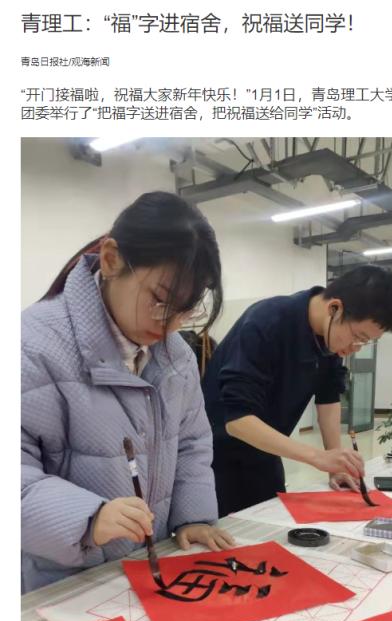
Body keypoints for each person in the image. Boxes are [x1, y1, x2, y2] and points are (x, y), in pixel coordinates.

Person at [21, 191, 234, 593]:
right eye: (160, 301)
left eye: (187, 309)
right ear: (111, 259)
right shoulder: (31, 346)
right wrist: (87, 518)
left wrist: (192, 516)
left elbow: (191, 444)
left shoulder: (176, 357)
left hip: (147, 573)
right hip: (60, 585)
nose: (171, 324)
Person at [202, 265, 392, 517]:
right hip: (215, 460)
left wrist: (335, 464)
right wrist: (317, 457)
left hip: (267, 455)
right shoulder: (266, 321)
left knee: (273, 529)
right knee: (224, 535)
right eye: (358, 336)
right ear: (335, 308)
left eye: (365, 342)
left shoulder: (331, 338)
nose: (356, 348)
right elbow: (237, 421)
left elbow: (328, 398)